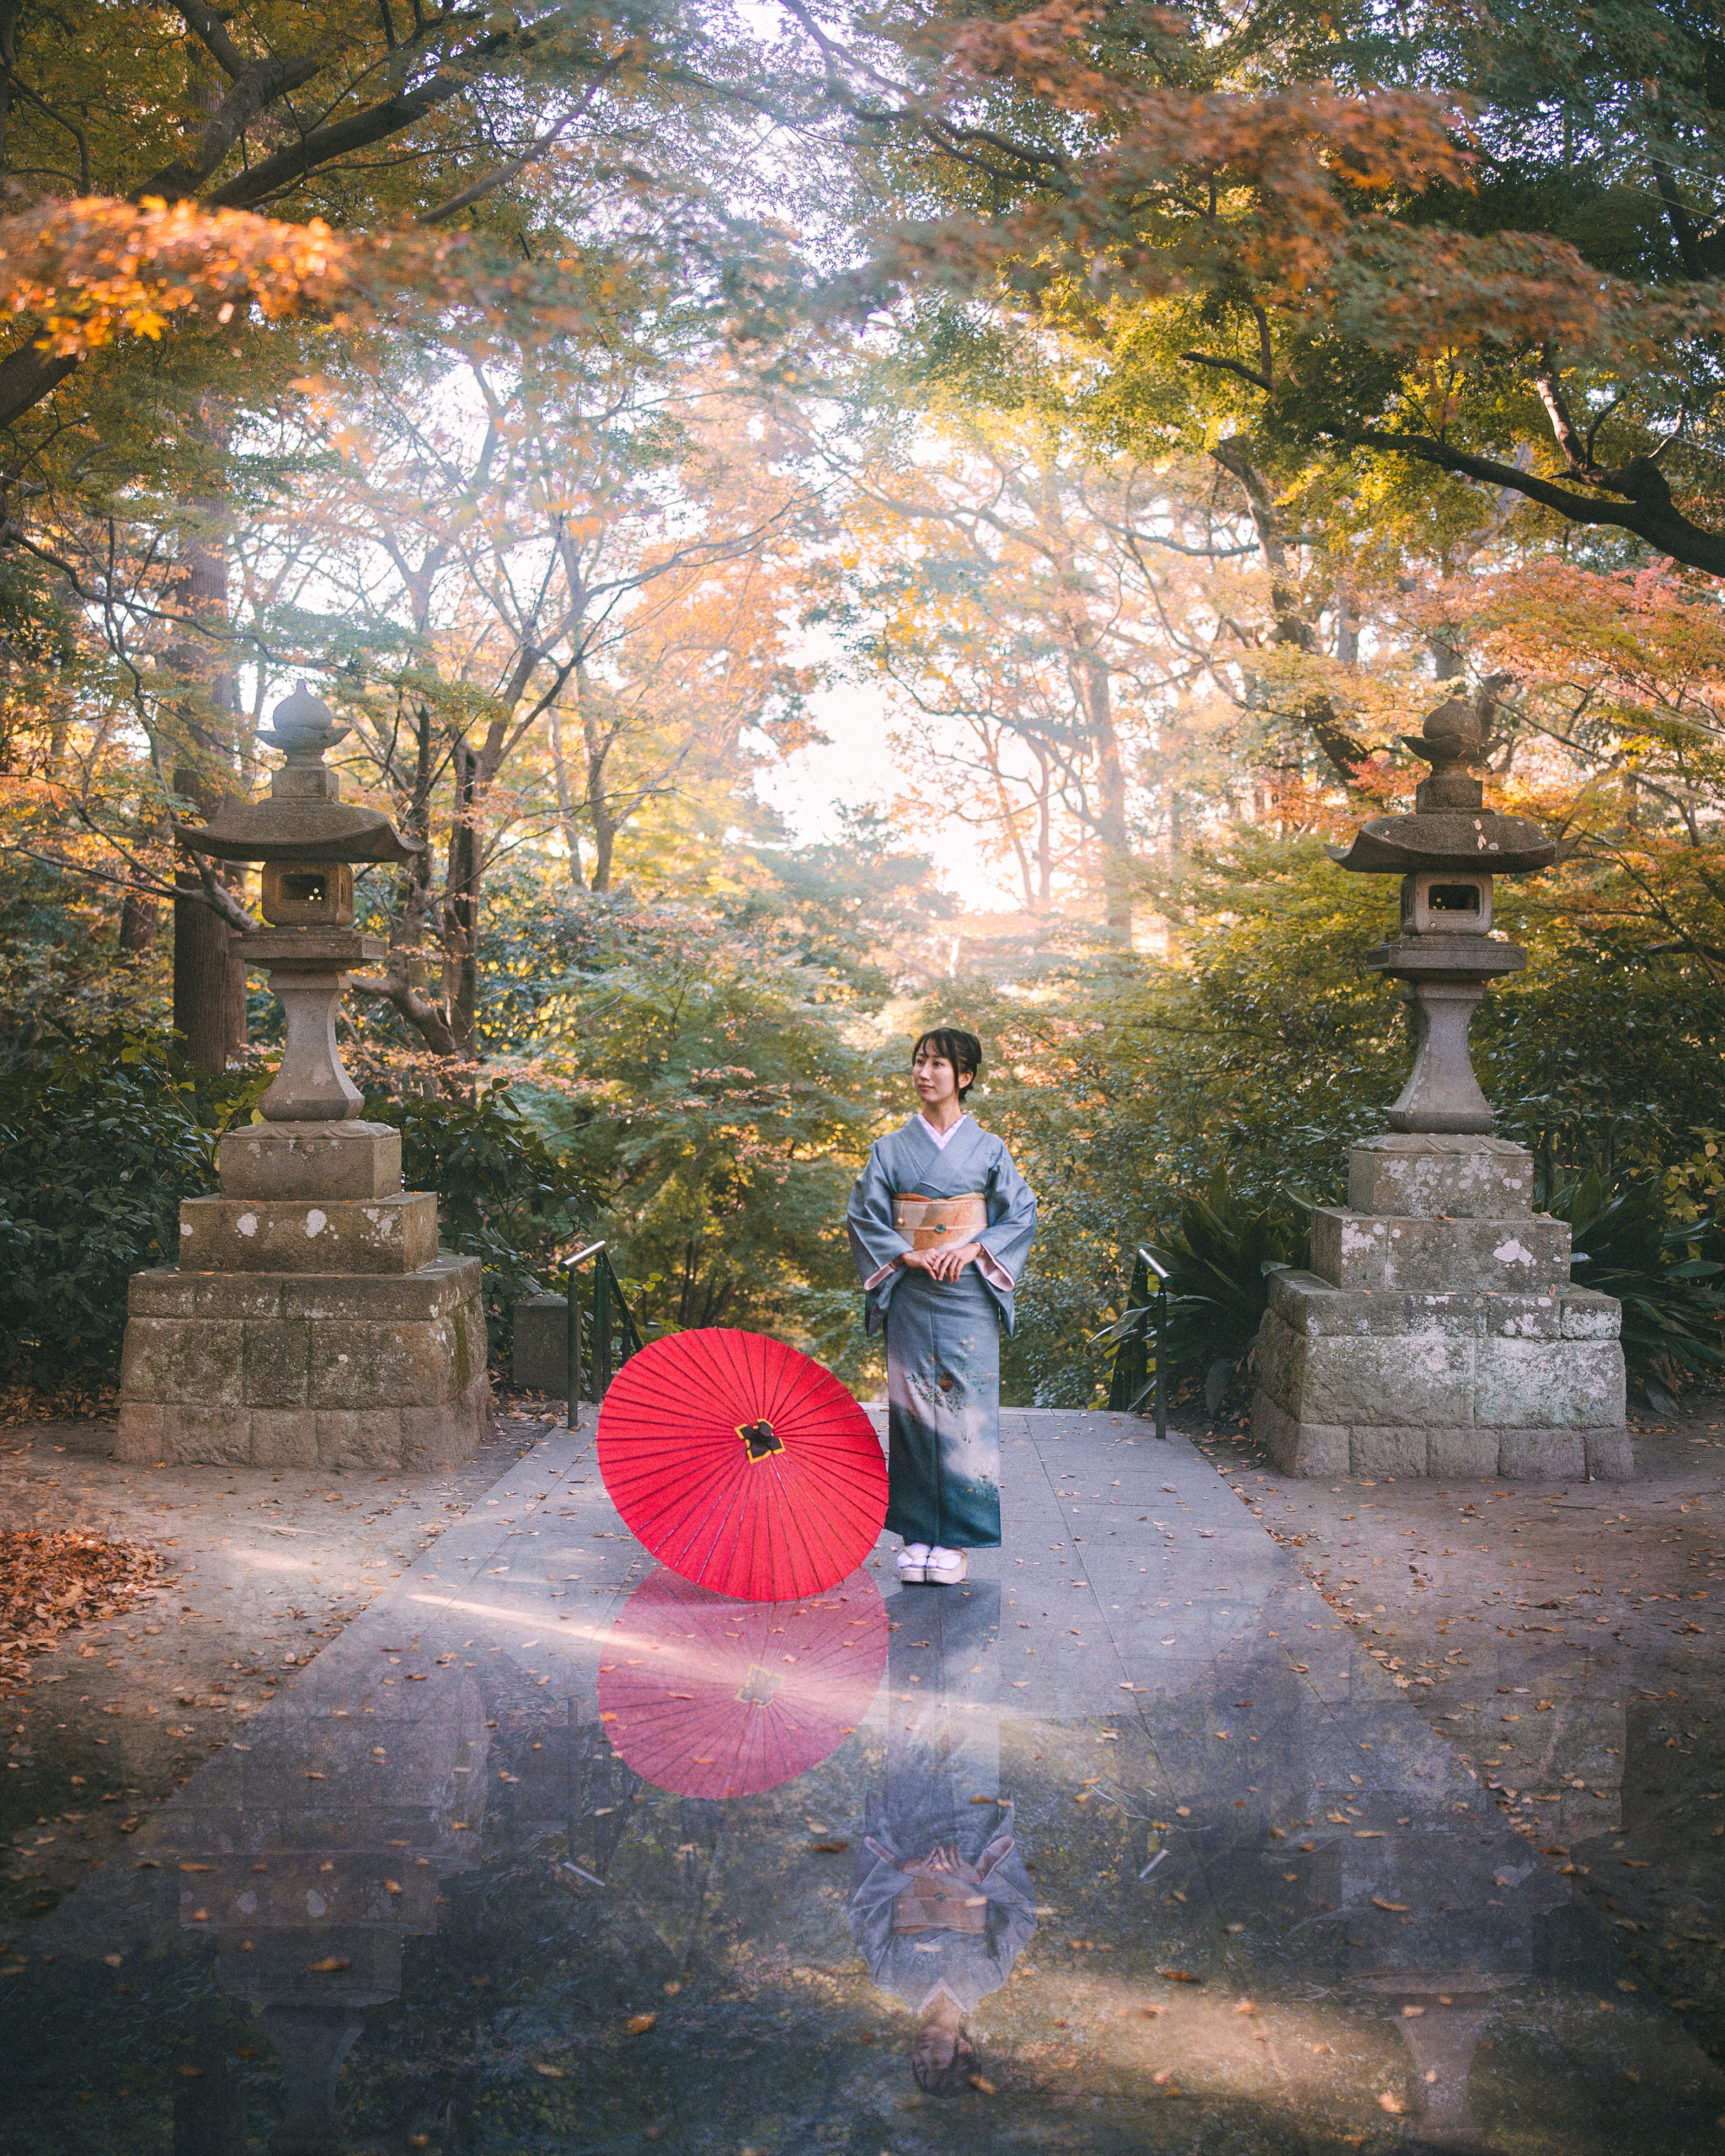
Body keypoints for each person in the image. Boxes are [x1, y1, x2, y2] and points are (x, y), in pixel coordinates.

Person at [846, 1027, 1037, 1587]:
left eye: (937, 1064)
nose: (923, 1073)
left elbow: (1019, 1214)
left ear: (966, 1076)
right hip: (912, 1291)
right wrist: (908, 1256)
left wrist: (975, 1247)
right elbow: (864, 1217)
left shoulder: (990, 1149)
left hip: (967, 1295)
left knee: (964, 1412)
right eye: (918, 1062)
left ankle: (954, 1536)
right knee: (912, 1411)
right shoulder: (889, 1149)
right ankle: (916, 1535)